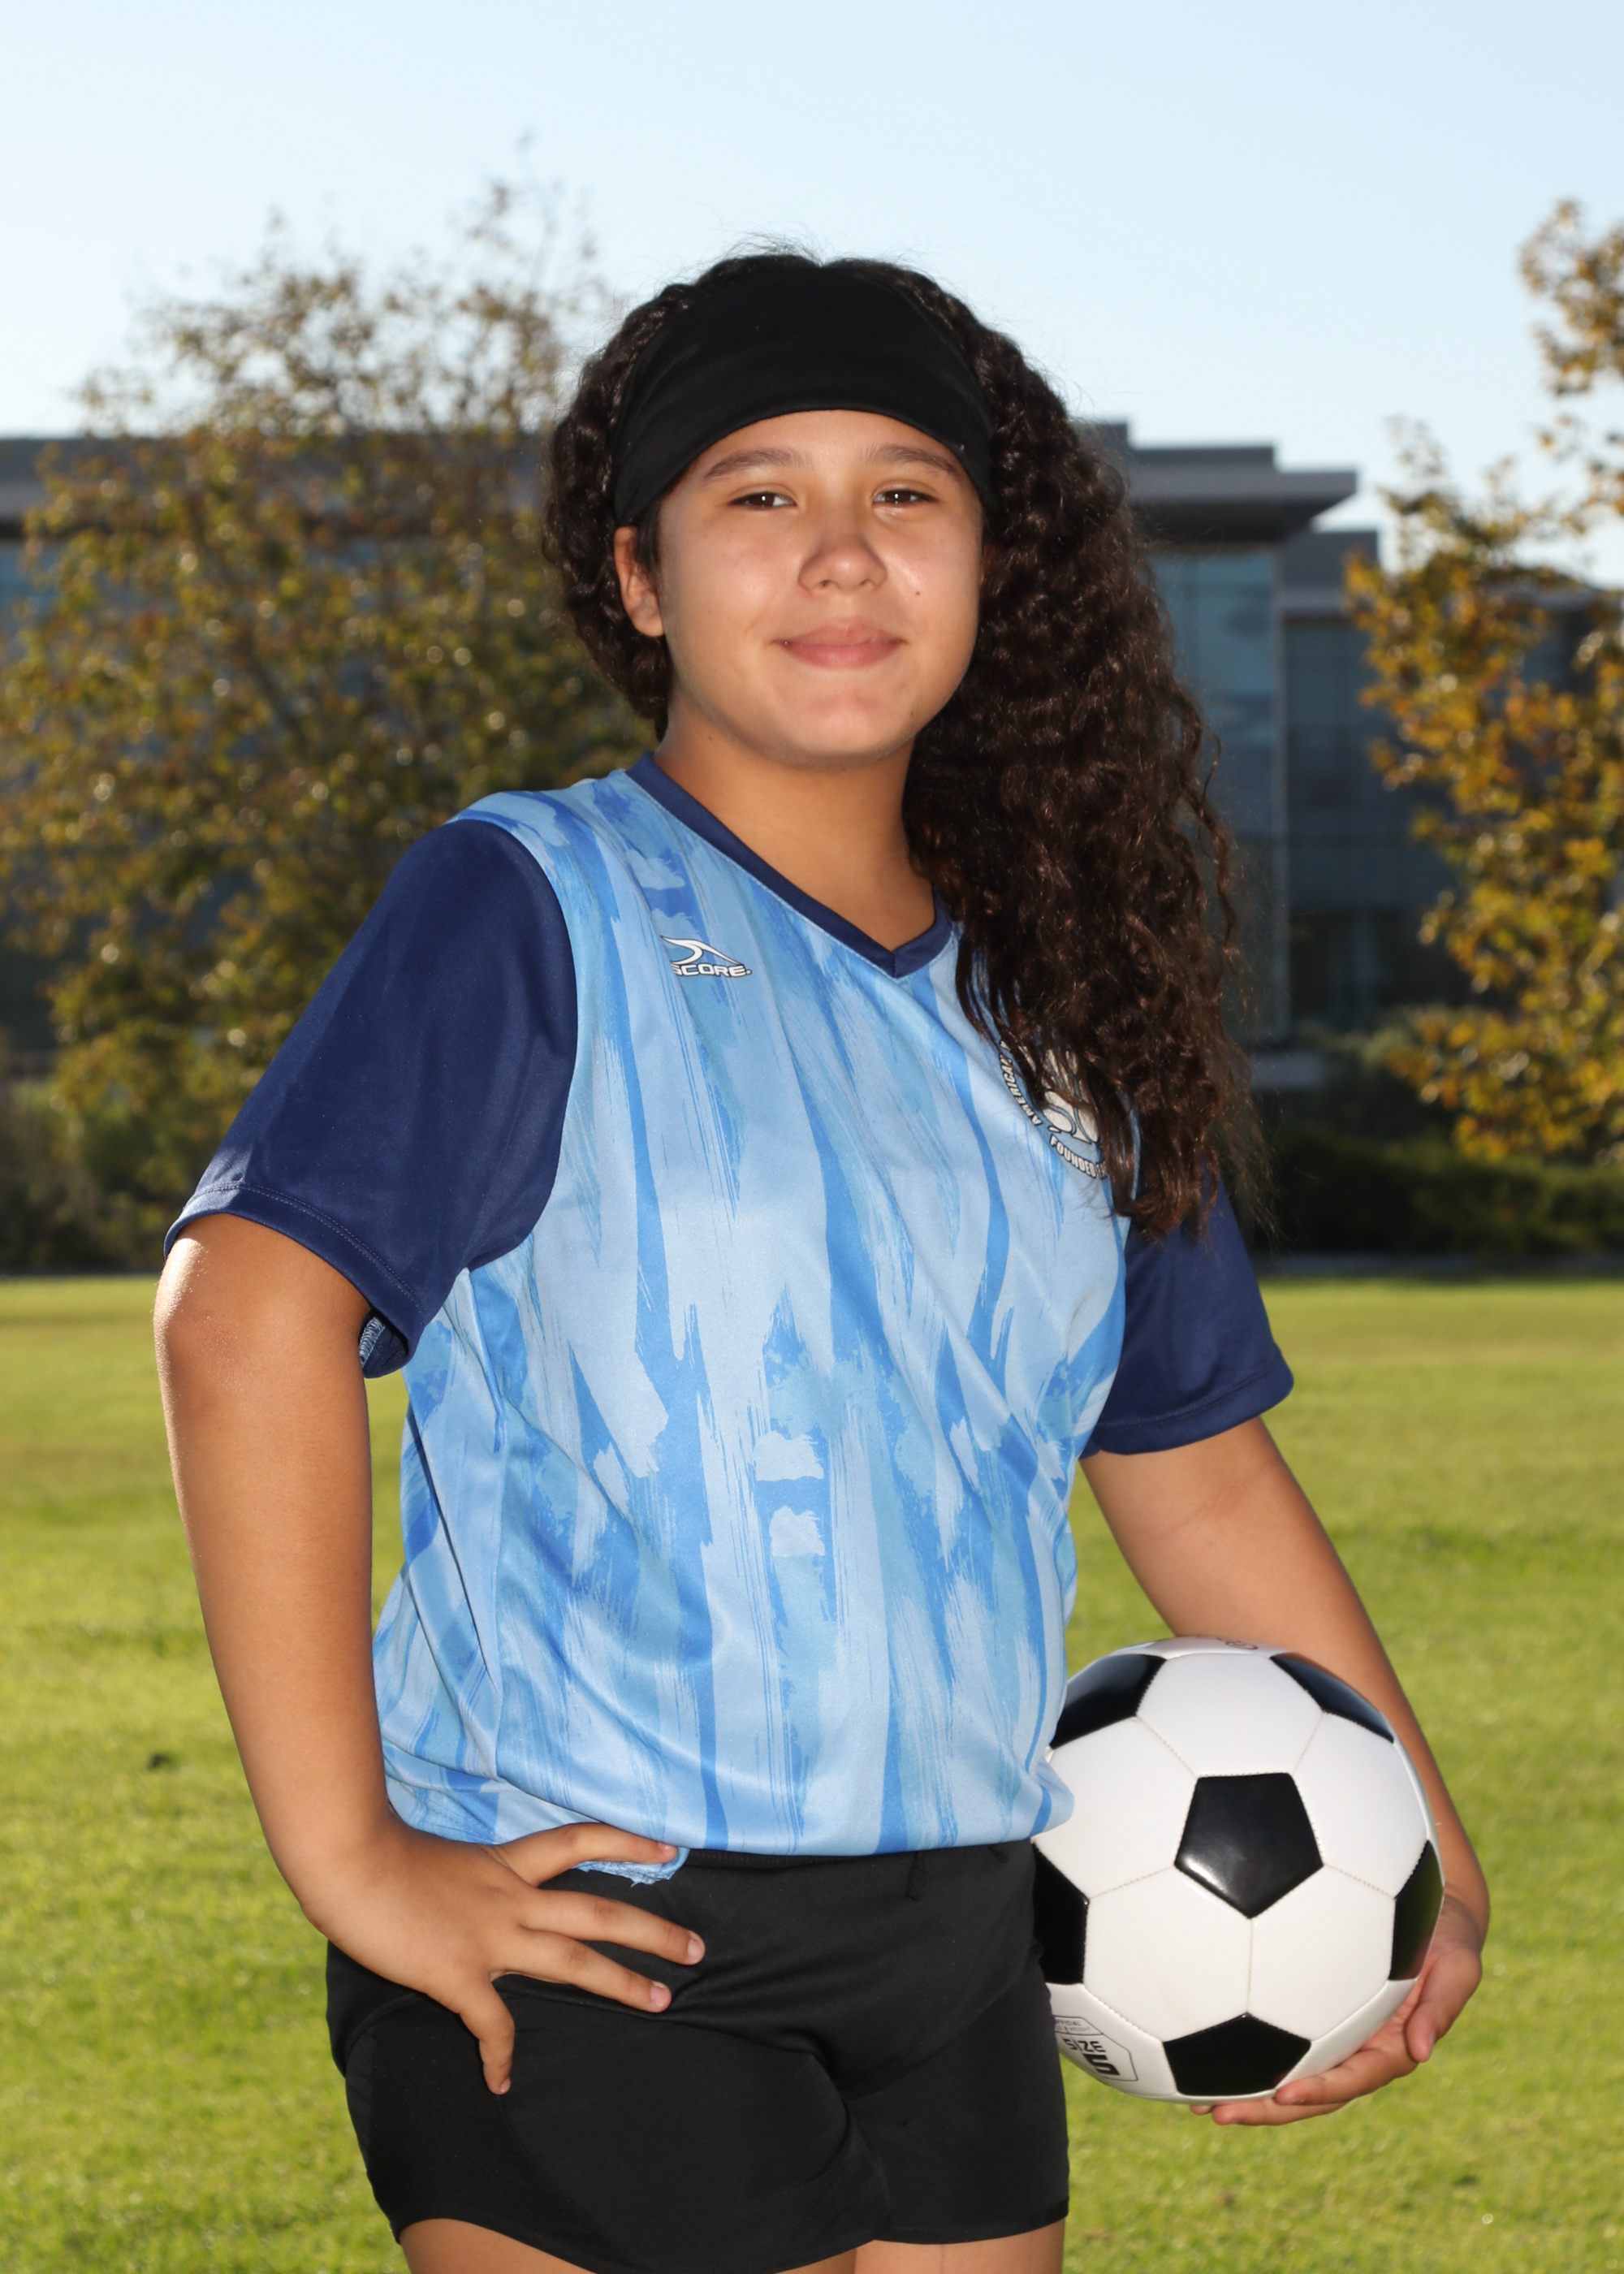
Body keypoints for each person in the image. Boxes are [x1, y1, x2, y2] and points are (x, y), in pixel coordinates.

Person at [155, 254, 1488, 2274]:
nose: (841, 554)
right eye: (760, 493)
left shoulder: (1063, 999)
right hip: (598, 1919)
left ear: (989, 564)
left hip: (962, 1938)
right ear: (640, 575)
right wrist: (351, 1850)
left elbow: (1193, 1460)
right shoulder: (529, 902)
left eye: (904, 493)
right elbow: (247, 1312)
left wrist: (1422, 1847)